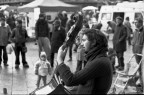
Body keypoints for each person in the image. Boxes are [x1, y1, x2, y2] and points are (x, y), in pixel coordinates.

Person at [56, 29, 113, 94]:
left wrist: (59, 59)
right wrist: (64, 78)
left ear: (93, 42)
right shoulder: (96, 57)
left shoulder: (100, 61)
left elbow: (70, 80)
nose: (81, 43)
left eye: (84, 40)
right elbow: (82, 77)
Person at [132, 18, 144, 89]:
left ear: (141, 23)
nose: (135, 24)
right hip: (136, 53)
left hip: (142, 53)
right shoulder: (135, 31)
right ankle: (141, 83)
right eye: (134, 22)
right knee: (139, 69)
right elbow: (134, 40)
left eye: (136, 22)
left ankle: (143, 85)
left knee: (142, 69)